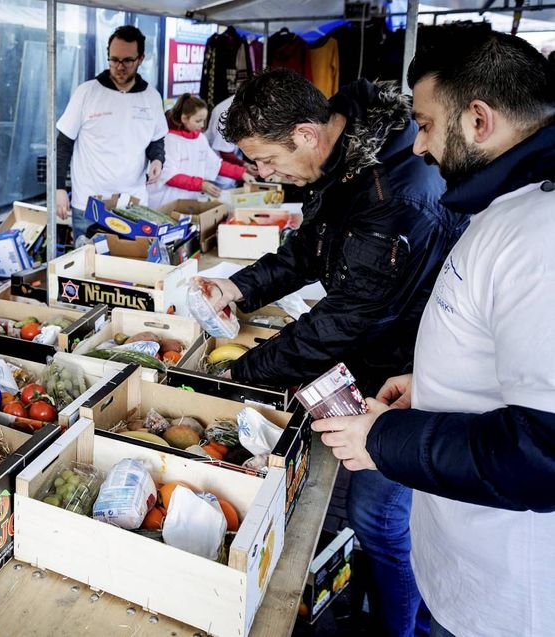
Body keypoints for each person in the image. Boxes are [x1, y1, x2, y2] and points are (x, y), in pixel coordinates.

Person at [195, 69, 467, 636]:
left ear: (306, 134)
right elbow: (303, 250)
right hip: (374, 359)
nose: (264, 174)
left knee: (378, 515)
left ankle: (401, 626)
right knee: (375, 511)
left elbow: (340, 322)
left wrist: (230, 380)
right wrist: (239, 287)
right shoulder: (345, 164)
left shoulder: (396, 197)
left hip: (409, 370)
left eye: (266, 160)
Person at [312, 25, 555, 637]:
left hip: (506, 607)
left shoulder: (541, 234)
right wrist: (435, 386)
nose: (418, 146)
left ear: (478, 120)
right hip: (463, 571)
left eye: (424, 123)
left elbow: (544, 451)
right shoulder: (507, 205)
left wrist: (385, 439)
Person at [55, 25, 168, 240]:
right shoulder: (86, 92)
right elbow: (63, 144)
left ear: (140, 59)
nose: (119, 66)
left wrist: (157, 160)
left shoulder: (152, 97)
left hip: (134, 206)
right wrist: (59, 188)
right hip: (89, 205)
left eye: (127, 60)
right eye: (114, 59)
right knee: (86, 270)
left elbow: (157, 139)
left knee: (131, 268)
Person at [146, 93, 251, 210]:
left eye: (204, 121)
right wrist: (201, 184)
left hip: (188, 203)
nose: (202, 125)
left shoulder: (200, 139)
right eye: (198, 121)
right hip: (164, 203)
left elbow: (215, 164)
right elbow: (169, 176)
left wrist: (242, 173)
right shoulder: (169, 140)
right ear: (184, 118)